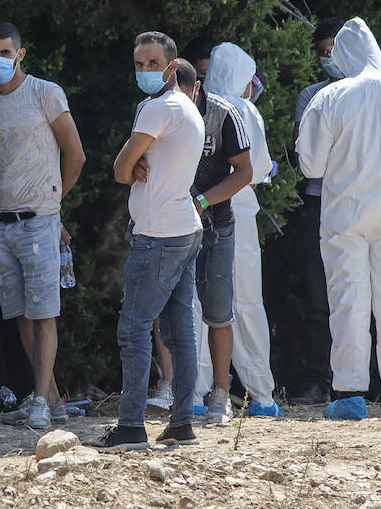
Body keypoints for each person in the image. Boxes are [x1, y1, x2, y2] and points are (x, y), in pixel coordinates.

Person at [297, 16, 381, 420]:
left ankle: (350, 392)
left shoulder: (331, 97)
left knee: (348, 301)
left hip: (345, 215)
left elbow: (311, 166)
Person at [95, 34, 205, 452]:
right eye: (138, 63)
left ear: (172, 66)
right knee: (180, 328)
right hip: (184, 230)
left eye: (152, 62)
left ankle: (130, 426)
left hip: (158, 234)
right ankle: (181, 423)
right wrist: (139, 159)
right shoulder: (186, 108)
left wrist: (133, 159)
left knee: (135, 328)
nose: (143, 71)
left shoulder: (158, 108)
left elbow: (121, 170)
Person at [0, 22, 87, 430]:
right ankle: (48, 400)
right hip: (1, 222)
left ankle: (41, 400)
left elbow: (74, 156)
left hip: (38, 221)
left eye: (5, 52)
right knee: (21, 314)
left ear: (20, 54)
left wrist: (51, 207)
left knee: (44, 314)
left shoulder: (45, 92)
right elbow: (8, 160)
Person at [196, 41, 281, 419]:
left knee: (200, 304)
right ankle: (261, 395)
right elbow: (257, 168)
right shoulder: (244, 109)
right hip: (239, 215)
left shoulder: (197, 106)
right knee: (245, 302)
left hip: (198, 213)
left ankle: (198, 394)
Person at [174, 48, 253, 424]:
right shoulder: (159, 109)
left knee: (218, 314)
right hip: (169, 227)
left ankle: (220, 395)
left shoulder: (224, 114)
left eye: (184, 96)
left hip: (215, 226)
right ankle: (175, 393)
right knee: (168, 312)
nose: (178, 105)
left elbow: (244, 172)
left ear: (197, 88)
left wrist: (203, 201)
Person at [279, 17, 344, 405]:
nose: (328, 59)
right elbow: (308, 151)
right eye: (322, 53)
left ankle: (365, 380)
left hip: (359, 199)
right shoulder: (311, 94)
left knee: (363, 295)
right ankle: (321, 380)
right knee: (318, 296)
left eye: (334, 49)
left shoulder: (375, 92)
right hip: (319, 201)